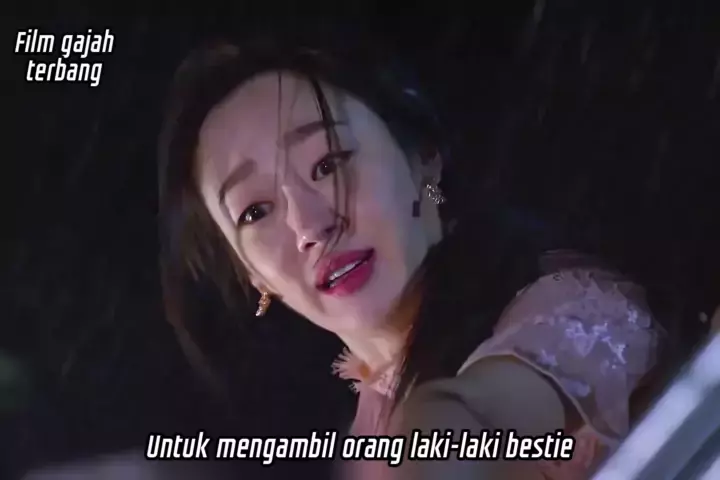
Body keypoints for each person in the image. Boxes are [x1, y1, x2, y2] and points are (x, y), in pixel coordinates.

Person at [157, 31, 672, 479]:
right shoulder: (362, 436)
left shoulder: (572, 316)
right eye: (255, 211)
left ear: (423, 160)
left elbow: (476, 424)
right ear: (252, 274)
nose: (311, 226)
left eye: (328, 163)